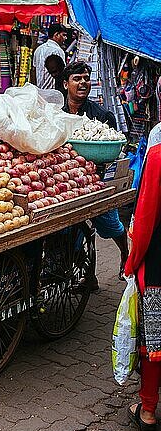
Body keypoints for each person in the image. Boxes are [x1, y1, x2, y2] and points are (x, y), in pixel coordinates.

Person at [62, 61, 129, 283]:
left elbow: (113, 150)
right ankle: (88, 275)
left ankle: (124, 254)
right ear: (65, 84)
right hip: (68, 181)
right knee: (69, 234)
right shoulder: (58, 114)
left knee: (110, 225)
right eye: (77, 79)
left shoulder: (102, 115)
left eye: (86, 78)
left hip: (96, 180)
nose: (83, 83)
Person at [124, 143, 161, 431]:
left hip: (159, 264)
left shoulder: (159, 154)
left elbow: (146, 217)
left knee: (154, 338)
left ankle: (148, 410)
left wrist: (132, 261)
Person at [33, 23, 67, 90]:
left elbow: (33, 70)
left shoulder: (38, 49)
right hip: (52, 91)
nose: (65, 38)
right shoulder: (57, 51)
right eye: (64, 35)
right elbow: (62, 74)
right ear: (56, 35)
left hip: (39, 91)